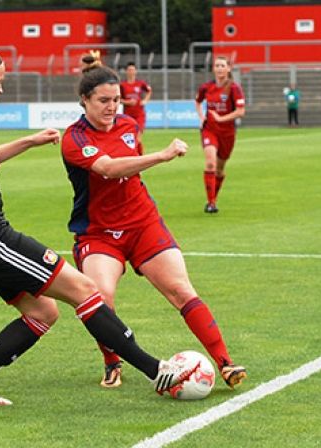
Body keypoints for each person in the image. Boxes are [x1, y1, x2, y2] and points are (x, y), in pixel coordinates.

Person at [0, 39, 192, 406]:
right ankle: (158, 371)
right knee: (84, 290)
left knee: (43, 312)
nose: (1, 87)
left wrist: (28, 141)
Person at [61, 55, 247, 390]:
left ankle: (225, 363)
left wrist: (144, 160)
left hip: (143, 222)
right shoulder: (74, 138)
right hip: (99, 233)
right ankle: (111, 361)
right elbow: (107, 168)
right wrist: (162, 156)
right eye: (103, 100)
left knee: (181, 290)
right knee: (100, 297)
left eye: (116, 100)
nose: (112, 107)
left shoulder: (129, 126)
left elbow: (131, 168)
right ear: (84, 100)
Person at [195, 56, 246, 214]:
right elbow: (197, 101)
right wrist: (202, 117)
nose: (219, 68)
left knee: (220, 170)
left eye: (222, 65)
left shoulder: (234, 88)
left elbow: (240, 111)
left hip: (227, 133)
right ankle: (211, 203)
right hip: (209, 129)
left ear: (228, 68)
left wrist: (221, 118)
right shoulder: (206, 87)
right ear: (213, 68)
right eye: (217, 65)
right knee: (210, 163)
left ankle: (213, 198)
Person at [120, 61, 152, 150]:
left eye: (133, 70)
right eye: (129, 70)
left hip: (139, 115)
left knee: (138, 137)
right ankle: (133, 156)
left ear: (135, 71)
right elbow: (118, 99)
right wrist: (127, 102)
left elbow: (149, 90)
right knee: (130, 138)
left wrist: (145, 100)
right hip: (127, 115)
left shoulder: (140, 83)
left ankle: (139, 157)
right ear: (126, 71)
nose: (131, 72)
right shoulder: (122, 85)